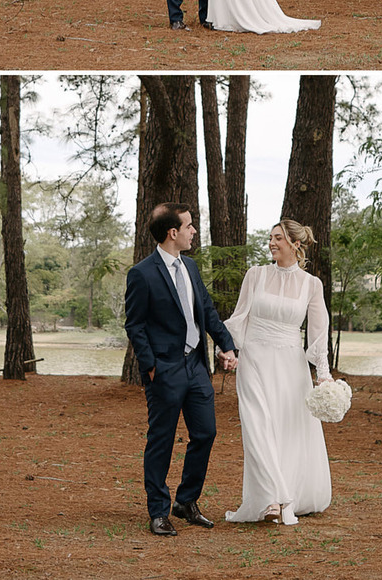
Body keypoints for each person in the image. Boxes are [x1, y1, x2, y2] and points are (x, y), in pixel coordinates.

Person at [124, 203, 238, 536]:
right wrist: (151, 367)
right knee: (161, 440)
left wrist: (226, 344)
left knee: (206, 433)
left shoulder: (190, 267)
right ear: (173, 233)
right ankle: (158, 511)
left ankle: (186, 501)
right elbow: (135, 325)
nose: (193, 232)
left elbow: (206, 310)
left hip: (196, 367)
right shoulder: (142, 273)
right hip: (165, 370)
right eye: (188, 226)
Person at [223, 218, 333, 525]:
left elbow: (319, 332)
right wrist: (230, 351)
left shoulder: (312, 285)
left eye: (278, 238)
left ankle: (288, 492)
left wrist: (323, 374)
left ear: (295, 245)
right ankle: (271, 498)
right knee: (257, 426)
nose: (272, 243)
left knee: (285, 429)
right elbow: (239, 317)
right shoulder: (255, 275)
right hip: (254, 359)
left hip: (291, 365)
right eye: (271, 237)